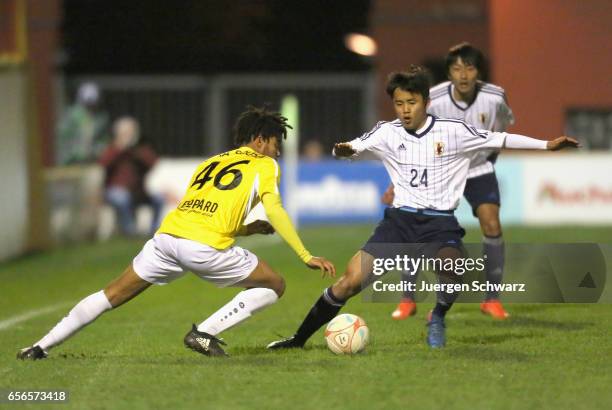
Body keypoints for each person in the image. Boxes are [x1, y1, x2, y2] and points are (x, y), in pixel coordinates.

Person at [267, 66, 578, 349]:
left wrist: (546, 145)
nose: (404, 110)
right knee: (349, 282)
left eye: (411, 103)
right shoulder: (387, 131)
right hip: (398, 224)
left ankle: (437, 316)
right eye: (399, 103)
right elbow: (356, 145)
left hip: (439, 224)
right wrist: (343, 150)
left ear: (426, 101)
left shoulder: (453, 131)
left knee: (453, 270)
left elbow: (499, 137)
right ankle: (298, 340)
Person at [17, 106, 336, 360]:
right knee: (275, 283)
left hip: (167, 240)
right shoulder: (264, 165)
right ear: (259, 139)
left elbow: (201, 212)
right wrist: (305, 255)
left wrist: (246, 228)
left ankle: (39, 346)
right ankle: (205, 332)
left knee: (110, 294)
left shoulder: (210, 162)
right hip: (204, 248)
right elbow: (276, 209)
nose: (277, 151)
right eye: (276, 143)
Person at [388, 43, 515, 320]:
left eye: (469, 68)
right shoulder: (434, 98)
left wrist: (490, 153)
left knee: (491, 223)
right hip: (439, 170)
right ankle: (407, 297)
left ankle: (492, 299)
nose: (463, 75)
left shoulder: (494, 98)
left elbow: (503, 126)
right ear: (449, 73)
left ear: (479, 72)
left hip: (478, 168)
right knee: (416, 224)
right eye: (457, 69)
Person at [99, 117, 164, 236]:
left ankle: (154, 231)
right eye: (125, 133)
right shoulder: (112, 148)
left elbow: (153, 163)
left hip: (137, 192)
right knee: (122, 197)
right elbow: (103, 163)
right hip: (114, 191)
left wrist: (135, 151)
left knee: (159, 199)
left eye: (131, 132)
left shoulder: (139, 149)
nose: (129, 136)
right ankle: (130, 232)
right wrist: (120, 149)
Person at [56, 82, 110, 165]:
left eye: (92, 102)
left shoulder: (101, 119)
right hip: (71, 162)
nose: (90, 106)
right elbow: (63, 138)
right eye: (87, 103)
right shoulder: (71, 116)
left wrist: (96, 150)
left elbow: (104, 140)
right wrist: (75, 151)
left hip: (93, 162)